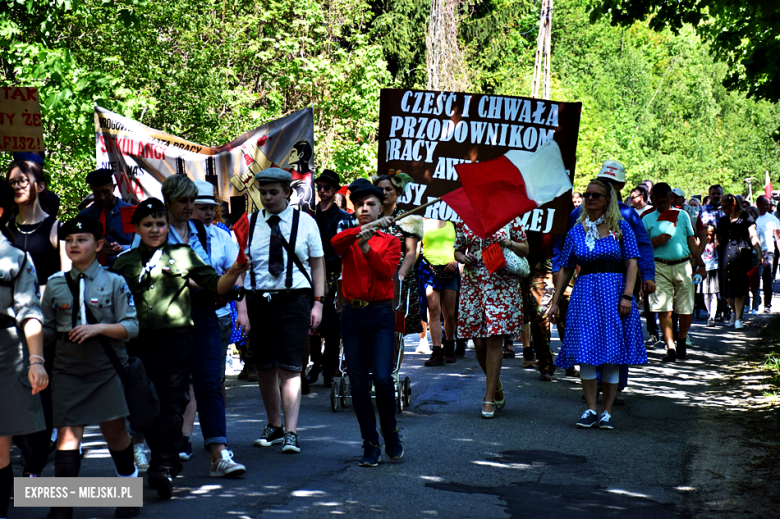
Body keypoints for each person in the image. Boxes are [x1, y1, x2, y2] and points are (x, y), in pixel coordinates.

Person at [112, 198, 248, 498]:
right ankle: (164, 460)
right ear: (137, 228)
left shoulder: (183, 255)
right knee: (144, 405)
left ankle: (163, 467)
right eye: (148, 224)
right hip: (138, 343)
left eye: (161, 223)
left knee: (173, 404)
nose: (155, 229)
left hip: (176, 342)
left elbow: (216, 285)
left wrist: (236, 270)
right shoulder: (125, 263)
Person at [41, 215, 140, 519]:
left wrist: (99, 329)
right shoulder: (56, 284)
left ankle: (128, 490)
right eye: (69, 240)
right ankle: (62, 505)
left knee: (114, 432)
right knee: (68, 435)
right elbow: (45, 330)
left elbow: (132, 326)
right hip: (68, 369)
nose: (74, 245)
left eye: (81, 239)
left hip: (105, 368)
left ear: (97, 245)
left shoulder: (114, 281)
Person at [549, 179, 647, 429]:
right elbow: (566, 266)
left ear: (607, 200)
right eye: (587, 195)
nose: (590, 198)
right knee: (586, 352)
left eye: (596, 195)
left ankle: (607, 412)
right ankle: (591, 409)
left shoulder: (621, 228)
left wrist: (627, 295)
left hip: (614, 293)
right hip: (585, 294)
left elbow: (632, 263)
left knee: (612, 354)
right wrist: (555, 301)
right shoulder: (576, 231)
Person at [244, 168, 325, 455]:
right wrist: (242, 308)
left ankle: (291, 431)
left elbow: (317, 264)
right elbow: (240, 268)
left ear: (287, 193)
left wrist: (319, 302)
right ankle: (274, 426)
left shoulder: (306, 222)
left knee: (290, 366)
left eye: (273, 192)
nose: (267, 197)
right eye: (263, 192)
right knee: (264, 366)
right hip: (258, 300)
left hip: (295, 300)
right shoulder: (250, 223)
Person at [178, 179, 248, 477]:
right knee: (174, 383)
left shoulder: (220, 237)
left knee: (209, 381)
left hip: (213, 314)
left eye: (212, 208)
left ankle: (218, 450)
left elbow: (237, 274)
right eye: (202, 207)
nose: (208, 213)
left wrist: (239, 305)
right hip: (172, 319)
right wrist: (211, 283)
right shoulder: (163, 234)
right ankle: (167, 444)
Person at [331, 178, 402, 466]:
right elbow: (335, 244)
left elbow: (386, 273)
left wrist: (367, 246)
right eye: (359, 205)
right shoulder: (348, 235)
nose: (364, 208)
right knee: (358, 384)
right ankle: (370, 443)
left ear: (380, 207)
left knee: (383, 379)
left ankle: (391, 431)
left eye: (370, 204)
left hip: (381, 314)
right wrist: (360, 233)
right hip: (352, 315)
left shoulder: (392, 241)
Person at [0, 179, 48, 519]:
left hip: (5, 354)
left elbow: (30, 312)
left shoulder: (15, 258)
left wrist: (36, 360)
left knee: (0, 443)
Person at [453, 216, 528, 418]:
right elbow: (458, 249)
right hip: (474, 282)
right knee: (478, 343)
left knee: (495, 339)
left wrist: (509, 243)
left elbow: (525, 249)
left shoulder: (510, 216)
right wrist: (462, 258)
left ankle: (488, 398)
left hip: (501, 282)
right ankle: (495, 385)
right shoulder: (464, 217)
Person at [644, 183, 706, 361]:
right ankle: (670, 348)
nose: (661, 200)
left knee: (686, 309)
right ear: (653, 199)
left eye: (665, 197)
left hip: (683, 266)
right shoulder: (647, 219)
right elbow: (641, 247)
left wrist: (700, 264)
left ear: (671, 197)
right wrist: (654, 241)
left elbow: (692, 242)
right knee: (665, 310)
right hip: (659, 267)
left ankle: (681, 339)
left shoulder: (683, 215)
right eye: (657, 197)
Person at [308, 170, 353, 388]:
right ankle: (316, 363)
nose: (323, 191)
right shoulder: (309, 216)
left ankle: (329, 368)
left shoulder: (344, 218)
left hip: (335, 274)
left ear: (335, 191)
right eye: (320, 188)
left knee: (333, 325)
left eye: (327, 188)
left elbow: (346, 250)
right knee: (312, 323)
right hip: (312, 274)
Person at [373, 172, 423, 337]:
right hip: (373, 278)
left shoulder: (408, 219)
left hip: (398, 279)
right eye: (380, 189)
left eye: (389, 189)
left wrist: (400, 275)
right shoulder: (370, 218)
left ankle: (393, 363)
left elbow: (411, 252)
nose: (384, 193)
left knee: (396, 330)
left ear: (398, 192)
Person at [6, 160, 69, 286]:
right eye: (12, 182)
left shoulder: (57, 229)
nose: (17, 186)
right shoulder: (5, 230)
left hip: (46, 303)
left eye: (23, 180)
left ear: (40, 186)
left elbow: (67, 281)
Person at [716, 194, 763, 330]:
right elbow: (718, 239)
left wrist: (759, 252)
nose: (722, 209)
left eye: (724, 207)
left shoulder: (746, 217)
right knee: (727, 292)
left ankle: (738, 319)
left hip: (741, 256)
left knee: (740, 289)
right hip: (725, 256)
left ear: (733, 205)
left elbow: (752, 236)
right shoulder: (723, 220)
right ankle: (735, 312)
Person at [418, 219, 459, 365]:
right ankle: (436, 352)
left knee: (449, 313)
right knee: (434, 310)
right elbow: (416, 249)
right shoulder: (422, 221)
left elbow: (460, 246)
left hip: (450, 270)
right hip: (429, 270)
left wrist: (456, 261)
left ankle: (449, 346)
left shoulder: (453, 221)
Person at [78, 169, 135, 266]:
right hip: (93, 270)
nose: (102, 197)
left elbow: (140, 245)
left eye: (106, 192)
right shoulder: (84, 216)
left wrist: (123, 248)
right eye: (97, 193)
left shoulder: (130, 212)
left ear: (114, 188)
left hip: (125, 268)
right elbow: (77, 247)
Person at [754, 196, 780, 313]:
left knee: (767, 277)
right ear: (758, 204)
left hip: (769, 251)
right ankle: (755, 301)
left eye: (768, 204)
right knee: (754, 278)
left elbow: (778, 237)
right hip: (754, 252)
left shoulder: (773, 219)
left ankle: (767, 304)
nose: (767, 206)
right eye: (765, 204)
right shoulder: (753, 218)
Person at [699, 224, 720, 326]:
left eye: (710, 235)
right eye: (706, 235)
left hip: (714, 269)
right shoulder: (702, 243)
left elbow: (718, 246)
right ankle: (709, 312)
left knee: (713, 294)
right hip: (704, 269)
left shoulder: (715, 244)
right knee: (706, 294)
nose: (708, 237)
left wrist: (716, 238)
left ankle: (712, 316)